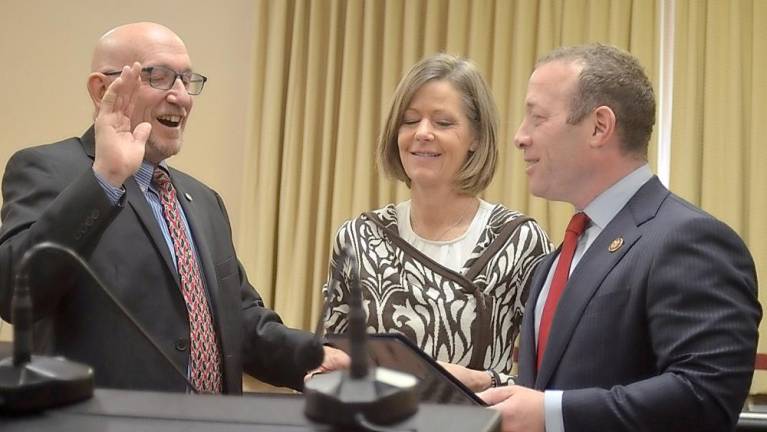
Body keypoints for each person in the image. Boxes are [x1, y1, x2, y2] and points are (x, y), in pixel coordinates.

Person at [0, 22, 347, 394]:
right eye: (159, 77)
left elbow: (237, 320)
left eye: (186, 79)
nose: (180, 96)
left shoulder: (205, 201)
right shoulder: (49, 169)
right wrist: (104, 179)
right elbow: (15, 292)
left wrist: (311, 356)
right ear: (102, 90)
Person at [478, 43, 761, 431]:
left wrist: (550, 414)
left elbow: (706, 397)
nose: (519, 137)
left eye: (537, 118)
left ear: (599, 127)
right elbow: (564, 388)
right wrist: (494, 387)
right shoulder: (558, 259)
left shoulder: (689, 239)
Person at [322, 53, 551, 392]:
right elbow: (332, 359)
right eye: (410, 120)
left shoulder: (519, 241)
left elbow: (548, 379)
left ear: (476, 137)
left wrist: (482, 381)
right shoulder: (357, 238)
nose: (423, 134)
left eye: (443, 123)